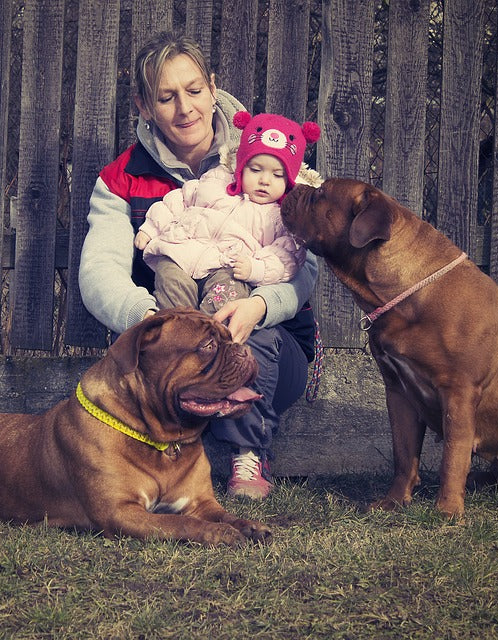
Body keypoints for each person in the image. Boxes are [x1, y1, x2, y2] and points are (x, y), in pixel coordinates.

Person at [79, 31, 320, 500]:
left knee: (254, 336)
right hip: (177, 352)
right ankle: (167, 460)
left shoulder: (269, 157)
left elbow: (301, 264)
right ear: (144, 106)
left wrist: (260, 306)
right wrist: (152, 324)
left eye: (193, 91)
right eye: (166, 98)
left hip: (269, 341)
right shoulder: (120, 180)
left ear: (213, 88)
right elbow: (98, 273)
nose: (184, 109)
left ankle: (244, 458)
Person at [134, 110, 320, 315]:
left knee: (229, 298)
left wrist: (255, 269)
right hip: (183, 253)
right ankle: (178, 327)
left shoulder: (281, 218)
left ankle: (210, 334)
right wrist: (151, 228)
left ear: (289, 180)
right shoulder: (216, 181)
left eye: (277, 175)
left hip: (229, 269)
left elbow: (287, 257)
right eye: (255, 170)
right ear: (240, 166)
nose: (264, 180)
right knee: (170, 278)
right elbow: (178, 200)